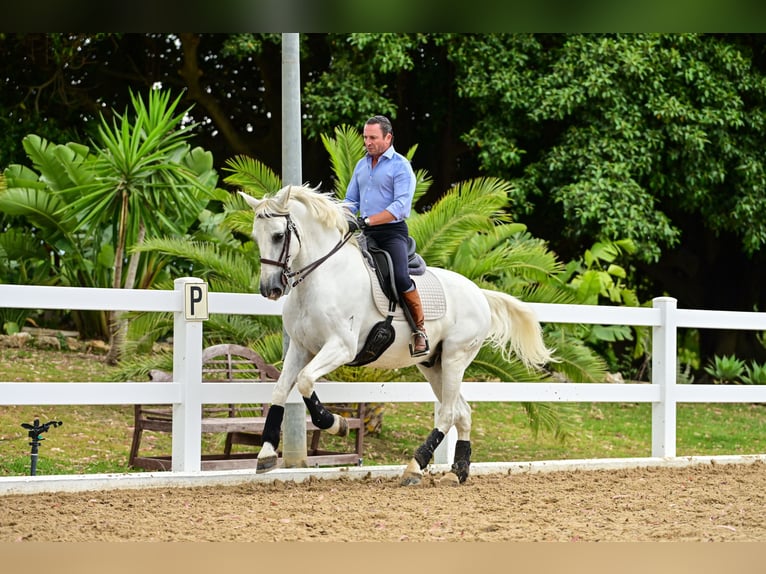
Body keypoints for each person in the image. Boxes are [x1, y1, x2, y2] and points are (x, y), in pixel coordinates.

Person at [345, 115, 429, 357]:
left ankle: (420, 331)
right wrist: (338, 215)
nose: (367, 142)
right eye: (365, 138)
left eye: (373, 138)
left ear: (388, 138)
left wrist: (368, 219)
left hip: (392, 233)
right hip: (365, 232)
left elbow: (401, 207)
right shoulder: (361, 165)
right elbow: (351, 200)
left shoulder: (401, 166)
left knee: (401, 277)